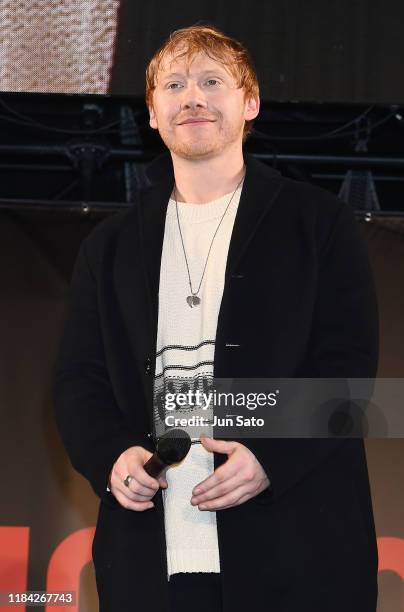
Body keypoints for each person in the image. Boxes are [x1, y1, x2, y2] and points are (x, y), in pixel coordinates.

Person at [53, 25, 379, 612]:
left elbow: (352, 374)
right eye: (174, 85)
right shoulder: (109, 247)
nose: (193, 97)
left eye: (212, 82)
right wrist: (112, 457)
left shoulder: (319, 223)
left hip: (297, 555)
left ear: (250, 103)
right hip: (151, 565)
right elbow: (79, 383)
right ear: (152, 112)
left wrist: (272, 455)